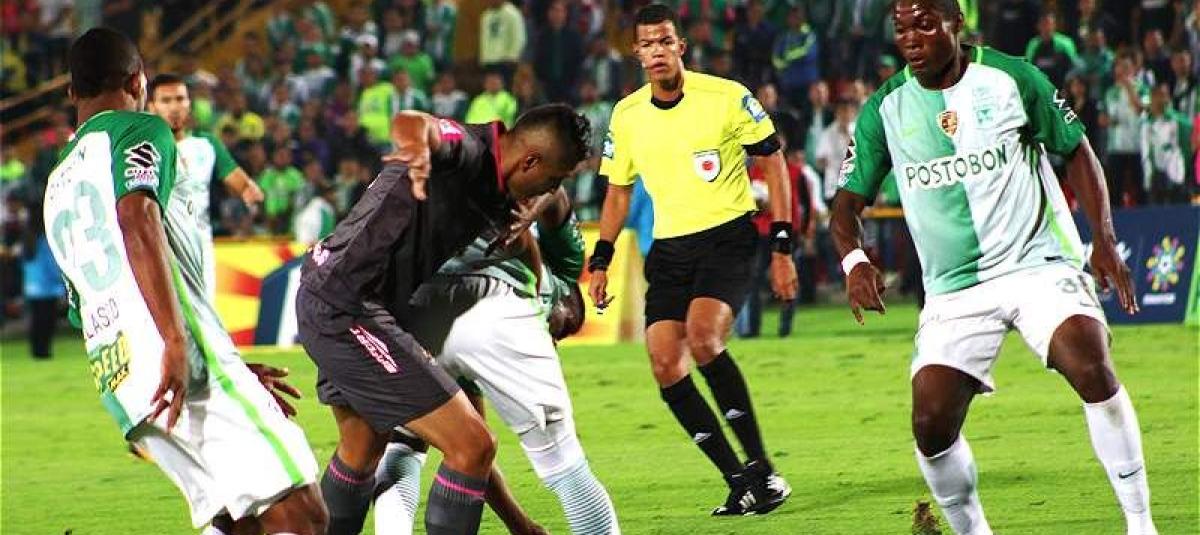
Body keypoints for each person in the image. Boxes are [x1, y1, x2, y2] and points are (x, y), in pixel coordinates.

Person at [830, 2, 1157, 534]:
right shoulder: (884, 110)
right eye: (902, 28)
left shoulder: (1012, 78)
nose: (911, 38)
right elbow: (845, 207)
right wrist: (855, 260)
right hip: (954, 289)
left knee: (1088, 360)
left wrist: (1103, 239)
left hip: (1036, 263)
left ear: (956, 23)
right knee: (930, 424)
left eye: (925, 24)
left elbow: (1077, 151)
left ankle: (1141, 525)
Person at [44, 28, 326, 534]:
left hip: (123, 383)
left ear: (71, 92)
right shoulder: (137, 130)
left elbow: (79, 306)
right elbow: (137, 217)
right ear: (138, 81)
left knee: (240, 520)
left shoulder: (56, 182)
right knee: (300, 513)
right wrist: (181, 344)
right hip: (177, 361)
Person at [295, 105, 590, 535]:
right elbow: (415, 122)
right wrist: (416, 147)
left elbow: (524, 238)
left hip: (346, 298)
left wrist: (537, 286)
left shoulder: (500, 191)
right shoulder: (470, 150)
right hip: (347, 306)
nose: (552, 188)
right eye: (554, 178)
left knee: (363, 446)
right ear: (530, 161)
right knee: (472, 445)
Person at [588, 3, 798, 517]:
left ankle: (764, 470)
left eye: (665, 41)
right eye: (647, 44)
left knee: (703, 338)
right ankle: (737, 481)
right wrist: (601, 259)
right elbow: (618, 192)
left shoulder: (726, 97)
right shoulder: (627, 115)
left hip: (728, 237)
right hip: (670, 249)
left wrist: (782, 245)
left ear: (681, 46)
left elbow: (773, 161)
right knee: (664, 361)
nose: (657, 51)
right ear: (636, 54)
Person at [373, 188, 620, 535]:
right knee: (562, 457)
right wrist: (530, 213)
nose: (557, 335)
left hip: (416, 308)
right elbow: (557, 193)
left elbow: (477, 449)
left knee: (420, 440)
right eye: (565, 325)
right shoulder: (566, 260)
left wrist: (521, 526)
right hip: (479, 298)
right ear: (570, 294)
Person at [147, 73, 264, 302]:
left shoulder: (206, 145)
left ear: (189, 103)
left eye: (180, 99)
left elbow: (241, 182)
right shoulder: (143, 148)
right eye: (166, 101)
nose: (174, 107)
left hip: (200, 247)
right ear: (152, 106)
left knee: (203, 314)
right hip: (159, 247)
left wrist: (250, 192)